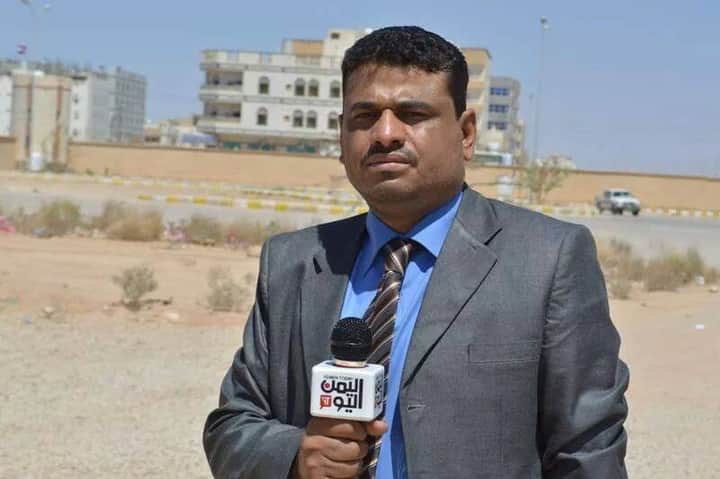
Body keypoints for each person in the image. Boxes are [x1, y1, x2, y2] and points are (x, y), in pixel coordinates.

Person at [203, 26, 629, 479]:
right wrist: (296, 457)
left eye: (412, 114)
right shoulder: (293, 263)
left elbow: (588, 452)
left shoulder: (547, 259)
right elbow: (232, 426)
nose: (385, 133)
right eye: (365, 116)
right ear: (342, 136)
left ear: (466, 133)